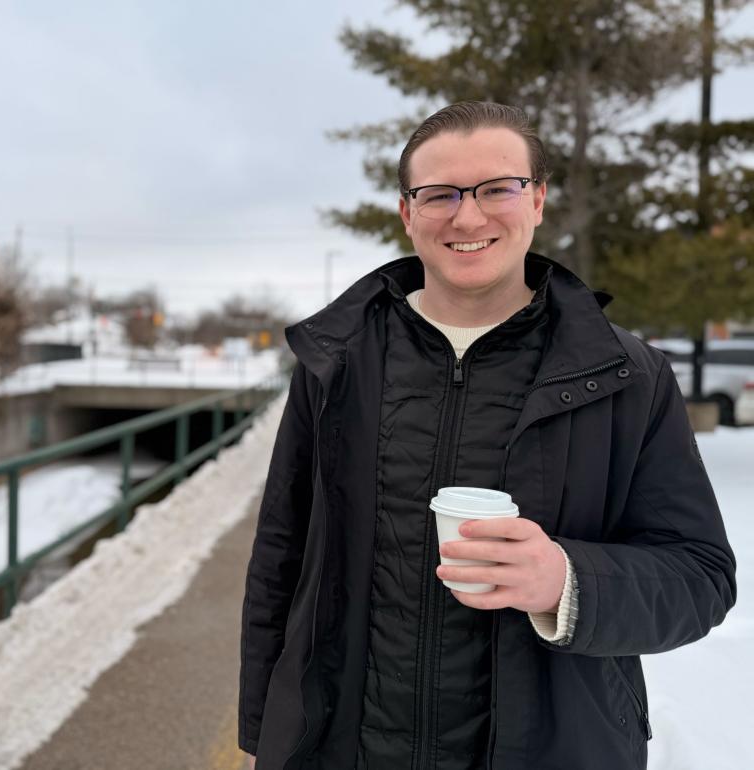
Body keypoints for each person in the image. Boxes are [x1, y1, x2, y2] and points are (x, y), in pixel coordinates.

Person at [238, 101, 737, 770]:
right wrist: (264, 737)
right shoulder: (339, 360)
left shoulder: (628, 376)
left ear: (537, 199)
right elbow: (281, 558)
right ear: (407, 212)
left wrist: (566, 581)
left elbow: (699, 577)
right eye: (440, 194)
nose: (467, 217)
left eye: (497, 188)